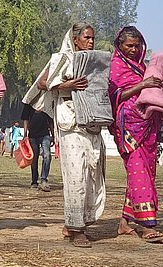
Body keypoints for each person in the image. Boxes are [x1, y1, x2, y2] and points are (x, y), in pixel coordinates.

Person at [26, 22, 105, 247]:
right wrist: (65, 85)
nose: (90, 42)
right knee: (75, 175)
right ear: (75, 39)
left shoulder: (95, 62)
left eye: (92, 38)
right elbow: (42, 82)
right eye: (86, 38)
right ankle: (77, 228)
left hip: (92, 123)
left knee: (92, 172)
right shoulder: (62, 58)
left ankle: (77, 222)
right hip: (69, 122)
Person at [109, 25, 163, 243]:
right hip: (128, 127)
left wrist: (161, 85)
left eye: (137, 46)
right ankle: (146, 225)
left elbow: (152, 93)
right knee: (138, 173)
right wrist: (143, 85)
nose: (133, 49)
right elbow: (116, 95)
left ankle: (125, 223)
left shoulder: (142, 67)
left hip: (148, 124)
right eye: (129, 45)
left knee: (143, 174)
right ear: (120, 45)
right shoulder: (114, 67)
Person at [20, 99, 53, 190]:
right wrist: (25, 134)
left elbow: (50, 121)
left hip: (45, 135)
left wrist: (53, 135)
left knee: (47, 155)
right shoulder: (29, 103)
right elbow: (25, 119)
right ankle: (34, 181)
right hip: (32, 136)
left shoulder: (46, 102)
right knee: (34, 158)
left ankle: (44, 179)